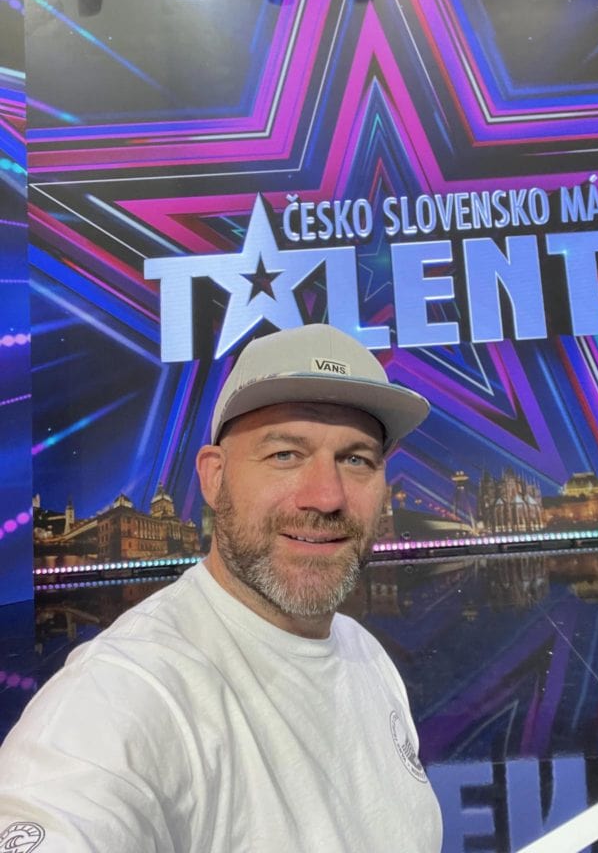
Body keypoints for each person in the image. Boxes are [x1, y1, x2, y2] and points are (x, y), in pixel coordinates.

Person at [0, 324, 443, 852]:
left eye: (356, 459)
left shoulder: (365, 654)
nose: (326, 496)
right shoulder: (122, 691)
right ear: (213, 477)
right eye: (285, 454)